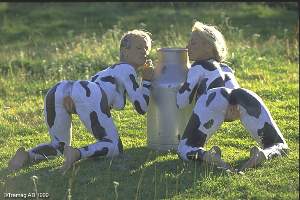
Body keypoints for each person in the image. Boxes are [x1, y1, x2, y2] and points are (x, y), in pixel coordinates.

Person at [8, 30, 154, 173]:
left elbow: (85, 94)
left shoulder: (105, 72)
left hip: (60, 89)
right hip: (87, 91)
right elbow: (141, 107)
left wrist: (74, 101)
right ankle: (77, 154)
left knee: (58, 146)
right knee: (114, 145)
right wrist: (147, 80)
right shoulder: (127, 69)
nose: (144, 52)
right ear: (124, 51)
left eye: (146, 48)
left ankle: (26, 155)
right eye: (139, 47)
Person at [176, 21, 288, 172]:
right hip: (243, 96)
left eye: (193, 43)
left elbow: (181, 102)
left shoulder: (198, 67)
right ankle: (264, 154)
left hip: (214, 97)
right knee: (279, 144)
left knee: (185, 148)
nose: (187, 47)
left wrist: (180, 85)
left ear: (208, 47)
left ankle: (207, 156)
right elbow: (234, 93)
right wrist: (230, 110)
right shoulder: (226, 68)